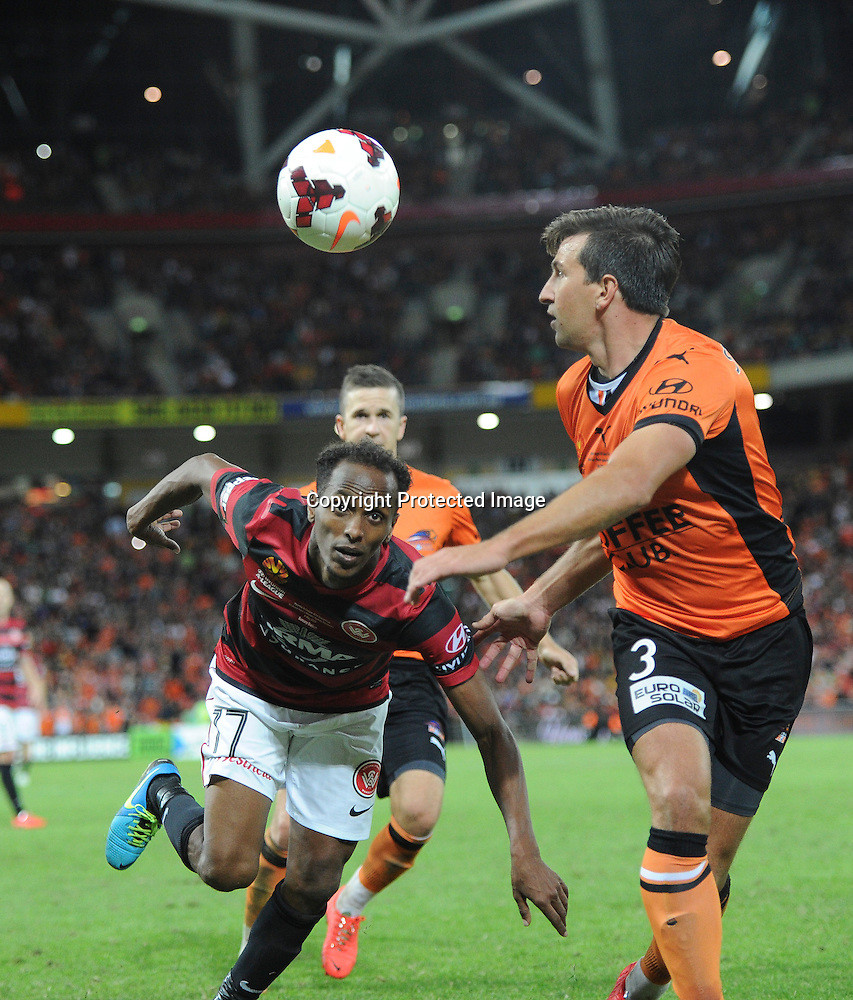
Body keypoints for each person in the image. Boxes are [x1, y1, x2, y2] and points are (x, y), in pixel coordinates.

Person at [406, 205, 812, 1000]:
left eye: (558, 272)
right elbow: (617, 517)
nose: (541, 291)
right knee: (676, 798)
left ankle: (642, 982)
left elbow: (627, 483)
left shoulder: (700, 369)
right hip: (658, 625)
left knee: (708, 868)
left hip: (765, 636)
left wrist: (490, 551)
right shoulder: (573, 392)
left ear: (605, 289)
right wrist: (544, 597)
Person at [105, 441, 568, 1000]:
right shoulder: (266, 516)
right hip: (251, 691)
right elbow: (203, 466)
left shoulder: (413, 594)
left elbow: (492, 732)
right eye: (342, 506)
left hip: (345, 721)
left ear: (393, 521)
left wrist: (525, 849)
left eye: (376, 515)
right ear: (314, 501)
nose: (354, 528)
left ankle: (236, 994)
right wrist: (142, 511)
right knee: (225, 869)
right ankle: (162, 789)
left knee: (314, 882)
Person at [240, 364, 578, 977]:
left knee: (420, 809)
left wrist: (543, 633)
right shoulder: (325, 499)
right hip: (333, 675)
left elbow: (481, 569)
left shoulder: (439, 496)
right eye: (360, 415)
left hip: (412, 673)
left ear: (402, 425)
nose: (371, 426)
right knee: (287, 834)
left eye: (382, 415)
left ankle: (351, 905)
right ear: (342, 426)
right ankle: (254, 938)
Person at [0, 578, 47, 829]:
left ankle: (20, 813)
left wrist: (37, 687)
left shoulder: (16, 630)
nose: (2, 598)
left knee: (9, 752)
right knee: (6, 753)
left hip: (10, 704)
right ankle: (20, 814)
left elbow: (26, 662)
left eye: (5, 593)